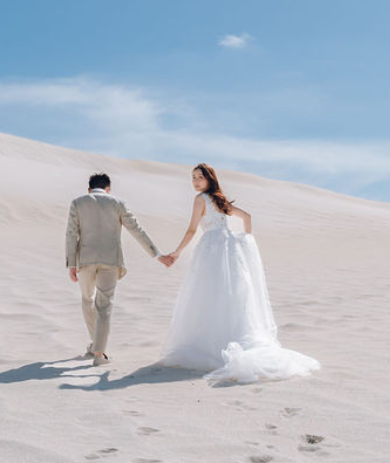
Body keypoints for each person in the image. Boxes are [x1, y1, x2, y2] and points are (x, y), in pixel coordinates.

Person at [158, 163, 320, 383]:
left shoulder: (201, 200)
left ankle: (213, 342)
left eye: (199, 177)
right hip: (229, 249)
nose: (195, 181)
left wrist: (176, 253)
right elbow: (247, 217)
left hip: (211, 250)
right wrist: (245, 241)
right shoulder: (220, 200)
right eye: (193, 178)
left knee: (209, 294)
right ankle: (232, 337)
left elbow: (192, 229)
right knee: (232, 295)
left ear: (209, 179)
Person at [65, 172, 168, 366]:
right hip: (111, 261)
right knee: (104, 307)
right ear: (108, 189)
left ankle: (95, 344)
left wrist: (71, 264)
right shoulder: (118, 203)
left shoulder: (77, 202)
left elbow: (71, 234)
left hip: (85, 261)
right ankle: (98, 353)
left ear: (89, 189)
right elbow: (136, 230)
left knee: (87, 300)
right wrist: (157, 254)